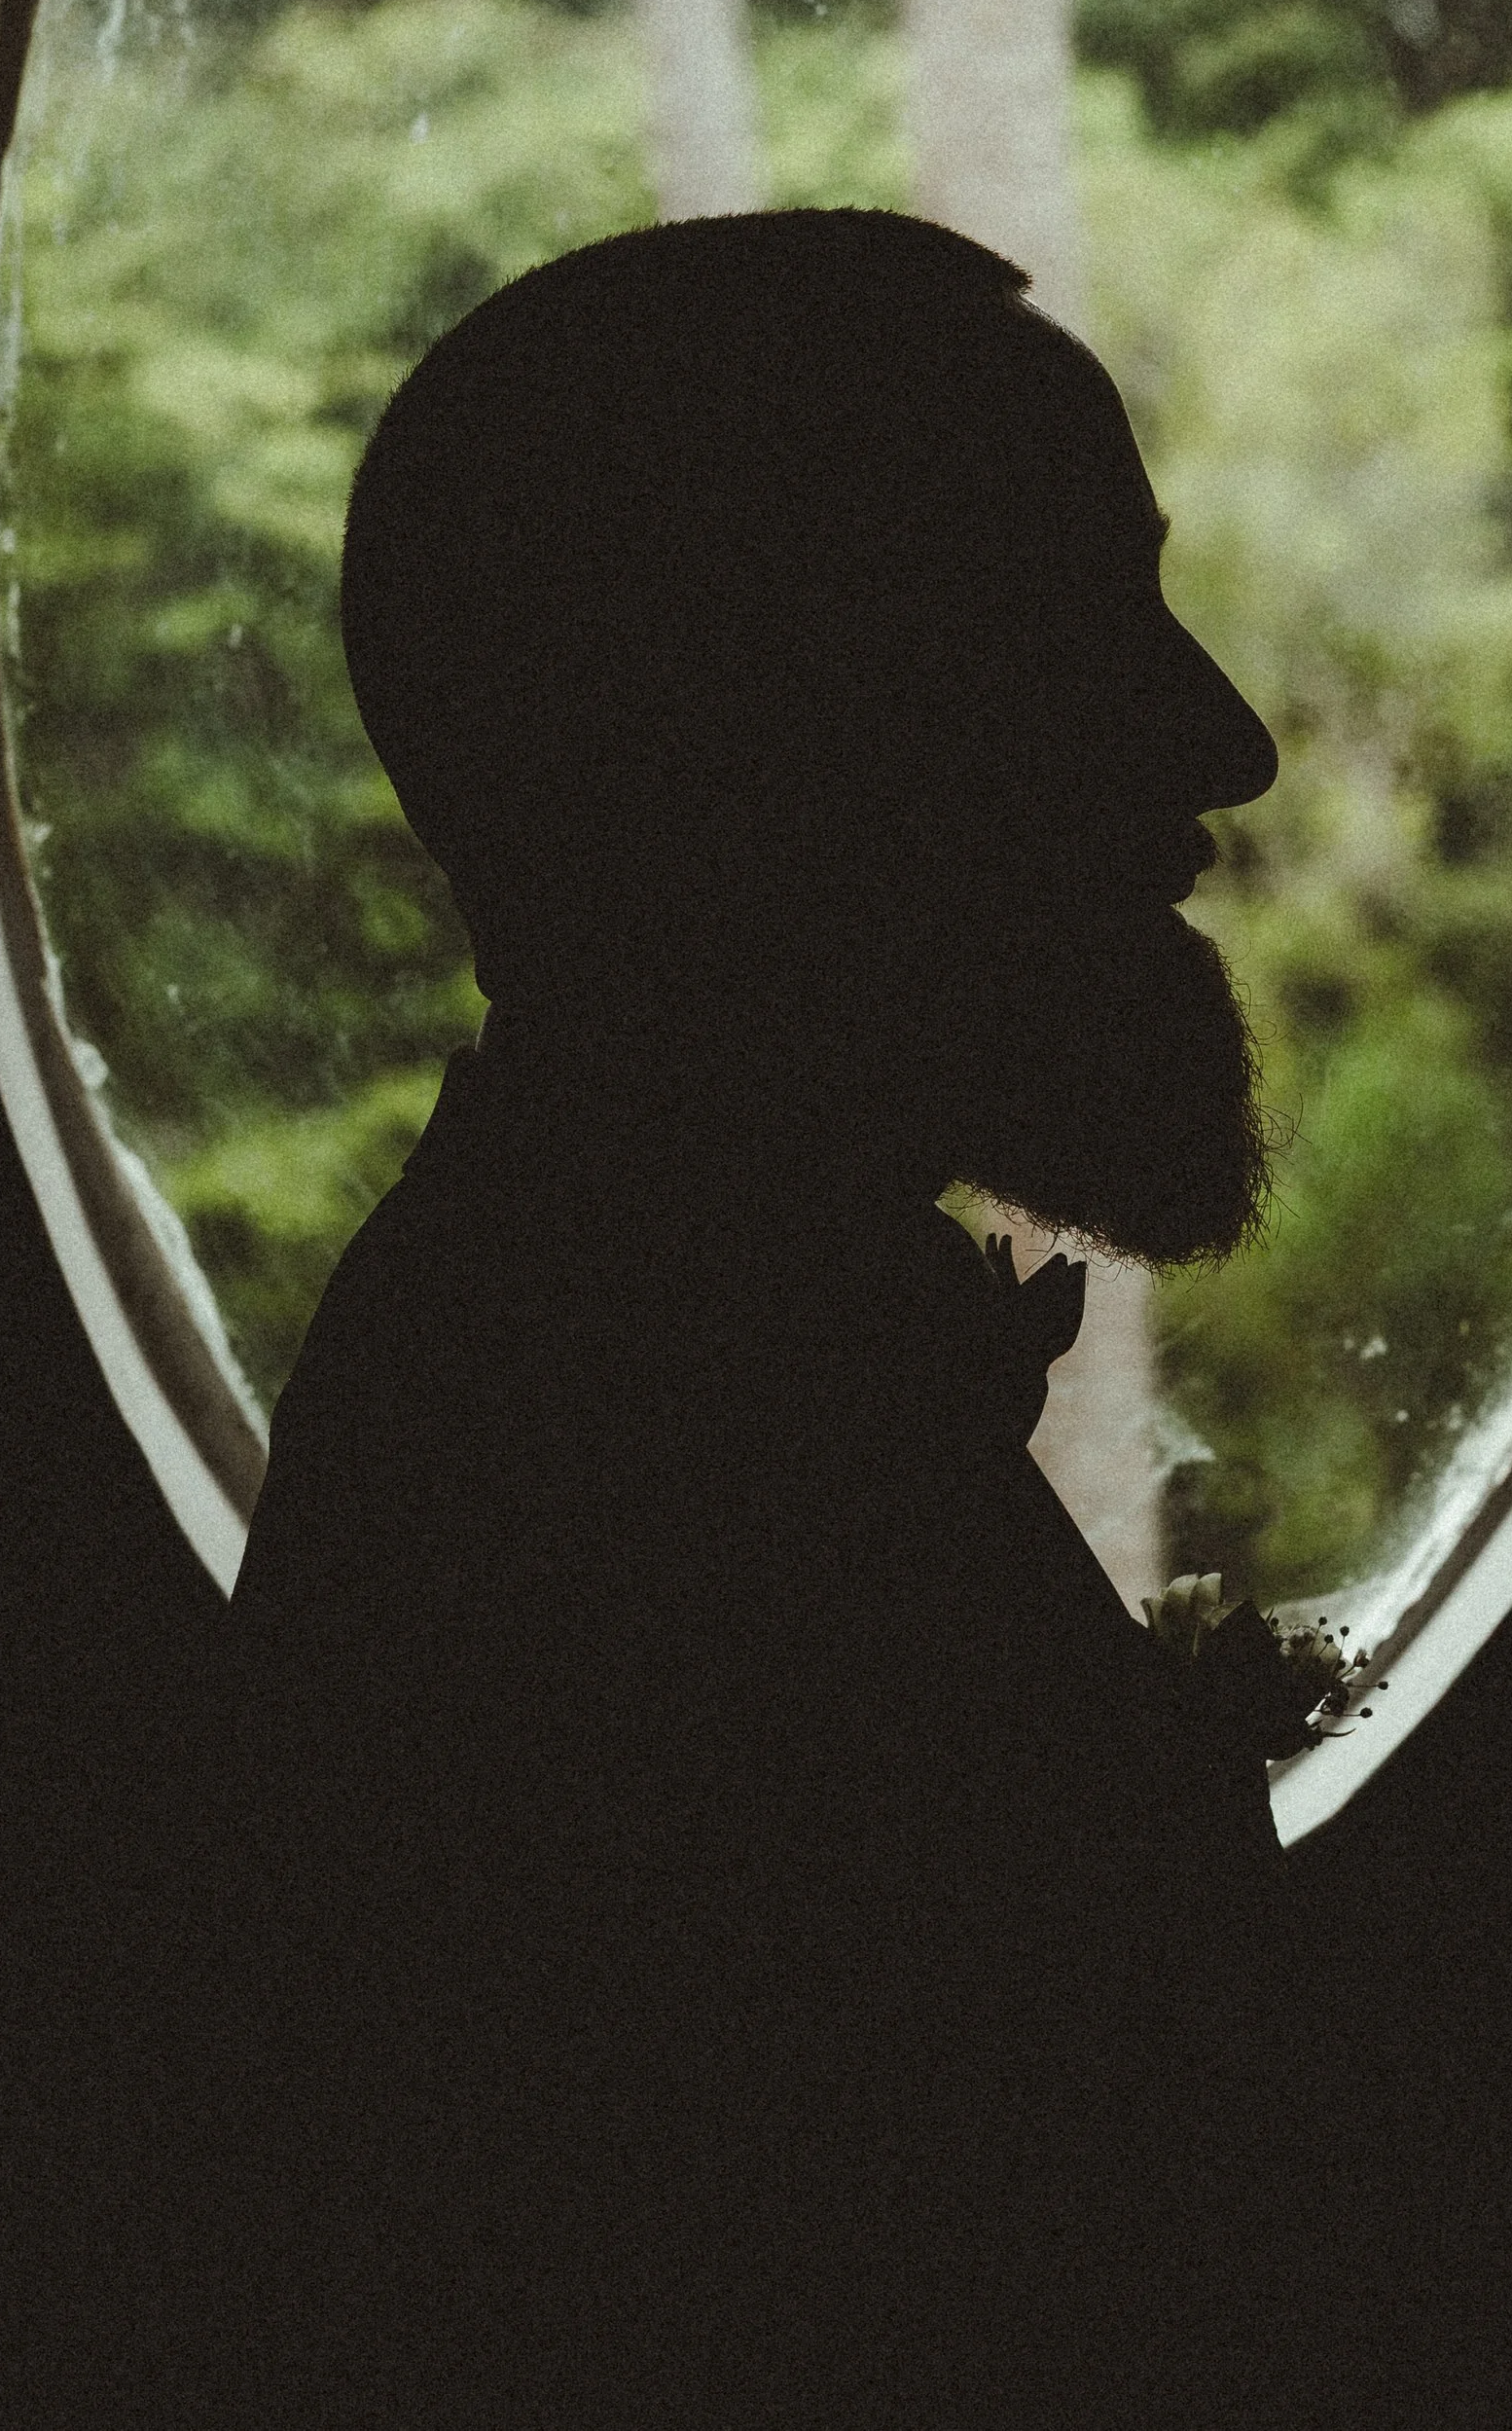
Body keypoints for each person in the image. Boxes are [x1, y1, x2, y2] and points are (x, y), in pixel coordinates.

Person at [136, 208, 1356, 2428]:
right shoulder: (639, 1512)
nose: (1220, 738)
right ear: (760, 738)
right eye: (1062, 625)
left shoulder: (609, 1351)